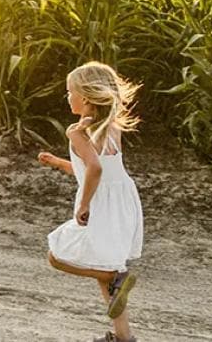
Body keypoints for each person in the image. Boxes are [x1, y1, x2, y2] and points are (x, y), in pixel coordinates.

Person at [38, 61, 143, 341]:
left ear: (84, 97)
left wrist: (83, 205)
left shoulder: (76, 133)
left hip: (99, 203)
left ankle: (113, 277)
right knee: (103, 263)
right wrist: (59, 163)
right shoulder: (111, 127)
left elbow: (94, 170)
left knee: (56, 255)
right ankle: (124, 337)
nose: (67, 96)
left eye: (69, 91)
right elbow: (95, 169)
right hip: (123, 200)